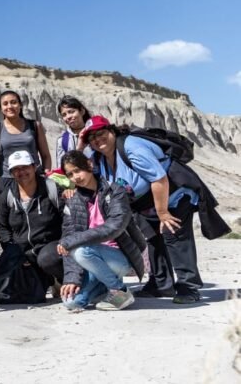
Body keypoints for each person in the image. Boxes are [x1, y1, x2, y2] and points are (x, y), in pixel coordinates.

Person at [82, 115, 203, 304]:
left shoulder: (132, 147)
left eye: (101, 133)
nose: (97, 140)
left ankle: (189, 287)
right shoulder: (101, 159)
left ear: (112, 131)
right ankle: (161, 285)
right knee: (153, 240)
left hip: (173, 196)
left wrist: (163, 213)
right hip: (145, 204)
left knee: (174, 235)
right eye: (92, 138)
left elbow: (159, 179)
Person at [58, 150, 147, 312]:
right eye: (70, 174)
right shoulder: (72, 201)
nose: (75, 177)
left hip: (119, 257)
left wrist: (73, 241)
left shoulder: (115, 191)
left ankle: (120, 291)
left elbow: (114, 227)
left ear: (90, 165)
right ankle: (105, 288)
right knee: (71, 302)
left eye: (78, 170)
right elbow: (68, 239)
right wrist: (72, 278)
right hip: (93, 262)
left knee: (81, 251)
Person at [0, 151, 64, 291]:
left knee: (47, 259)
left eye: (25, 167)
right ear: (11, 172)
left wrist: (65, 241)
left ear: (34, 167)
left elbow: (67, 219)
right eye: (16, 169)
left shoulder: (51, 188)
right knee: (1, 275)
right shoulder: (7, 195)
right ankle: (48, 281)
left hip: (50, 246)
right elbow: (2, 228)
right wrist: (12, 251)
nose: (21, 172)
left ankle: (64, 280)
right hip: (22, 250)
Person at [0, 90, 52, 193]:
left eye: (13, 102)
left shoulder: (35, 126)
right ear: (0, 108)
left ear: (20, 105)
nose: (10, 106)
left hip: (35, 179)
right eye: (5, 104)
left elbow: (45, 155)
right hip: (8, 181)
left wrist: (46, 174)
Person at [56, 96, 92, 161]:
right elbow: (62, 168)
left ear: (82, 111)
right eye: (64, 115)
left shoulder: (95, 132)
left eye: (71, 112)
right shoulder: (62, 141)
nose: (68, 117)